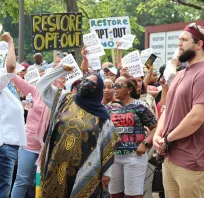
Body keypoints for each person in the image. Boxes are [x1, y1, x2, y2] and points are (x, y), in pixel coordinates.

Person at [153, 23, 204, 198]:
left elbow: (196, 118)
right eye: (179, 40)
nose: (179, 44)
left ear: (199, 44)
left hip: (193, 162)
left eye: (184, 40)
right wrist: (157, 135)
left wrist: (167, 139)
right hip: (170, 157)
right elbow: (167, 109)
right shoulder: (180, 74)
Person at [36, 63, 119, 197]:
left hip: (84, 171)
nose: (86, 84)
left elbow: (107, 145)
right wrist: (61, 70)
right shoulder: (63, 99)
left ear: (97, 90)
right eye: (85, 80)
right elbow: (41, 84)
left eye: (91, 83)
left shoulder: (103, 117)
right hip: (55, 165)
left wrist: (106, 174)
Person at [107, 74, 157, 198]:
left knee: (133, 195)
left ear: (129, 89)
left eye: (119, 86)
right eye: (114, 86)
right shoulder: (109, 108)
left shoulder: (139, 107)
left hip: (135, 156)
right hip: (113, 158)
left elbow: (156, 128)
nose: (115, 88)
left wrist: (145, 144)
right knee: (115, 194)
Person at [10, 66, 51, 197]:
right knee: (22, 180)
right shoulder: (34, 90)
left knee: (46, 183)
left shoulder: (62, 96)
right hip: (29, 144)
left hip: (49, 146)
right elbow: (13, 76)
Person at [0, 32, 27, 198]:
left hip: (7, 145)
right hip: (3, 146)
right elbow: (10, 67)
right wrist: (10, 42)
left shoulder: (8, 87)